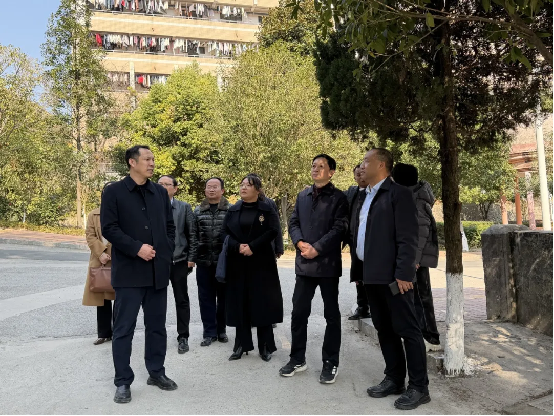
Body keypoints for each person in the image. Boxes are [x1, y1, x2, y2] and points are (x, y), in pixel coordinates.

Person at [101, 145, 177, 404]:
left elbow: (169, 226)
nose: (152, 163)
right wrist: (137, 248)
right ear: (132, 162)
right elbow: (109, 228)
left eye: (153, 159)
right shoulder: (114, 191)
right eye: (147, 159)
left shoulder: (159, 192)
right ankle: (123, 381)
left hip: (157, 272)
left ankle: (156, 372)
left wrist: (165, 249)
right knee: (124, 329)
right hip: (129, 273)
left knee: (157, 327)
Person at [357, 149, 430, 411]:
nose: (362, 165)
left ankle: (419, 387)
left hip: (394, 277)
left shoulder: (399, 194)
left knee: (408, 330)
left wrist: (404, 274)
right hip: (371, 274)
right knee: (384, 329)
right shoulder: (367, 195)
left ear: (381, 165)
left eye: (366, 161)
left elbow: (408, 238)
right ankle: (395, 378)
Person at [280, 154, 349, 384]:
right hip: (304, 264)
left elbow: (339, 228)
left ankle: (330, 362)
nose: (316, 169)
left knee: (331, 315)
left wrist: (317, 248)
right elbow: (293, 222)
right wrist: (300, 243)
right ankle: (297, 358)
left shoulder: (339, 198)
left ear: (331, 172)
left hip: (327, 265)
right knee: (299, 313)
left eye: (321, 166)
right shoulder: (303, 196)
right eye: (313, 166)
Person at [221, 174, 284, 362]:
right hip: (238, 262)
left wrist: (253, 247)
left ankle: (265, 346)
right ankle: (241, 344)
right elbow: (224, 233)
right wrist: (237, 246)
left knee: (262, 303)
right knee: (240, 303)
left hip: (261, 263)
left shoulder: (267, 209)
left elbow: (273, 230)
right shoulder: (233, 210)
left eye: (248, 185)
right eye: (242, 184)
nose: (243, 188)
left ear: (257, 189)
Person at [391, 163, 440, 347]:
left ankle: (429, 335)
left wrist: (414, 260)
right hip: (413, 257)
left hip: (416, 259)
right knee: (415, 296)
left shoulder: (416, 200)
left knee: (421, 296)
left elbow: (420, 233)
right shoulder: (412, 196)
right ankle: (420, 330)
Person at [158, 175, 198, 355]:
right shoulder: (150, 206)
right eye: (160, 184)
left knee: (181, 300)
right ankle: (158, 337)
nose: (163, 187)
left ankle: (183, 336)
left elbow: (192, 234)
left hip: (179, 261)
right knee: (157, 301)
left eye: (167, 184)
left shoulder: (184, 207)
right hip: (157, 261)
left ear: (175, 188)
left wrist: (191, 257)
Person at [193, 177, 231, 347]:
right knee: (205, 298)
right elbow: (192, 235)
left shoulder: (231, 210)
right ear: (205, 190)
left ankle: (221, 330)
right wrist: (192, 258)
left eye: (215, 187)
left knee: (223, 298)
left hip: (224, 262)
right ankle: (209, 332)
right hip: (203, 262)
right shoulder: (197, 211)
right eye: (209, 187)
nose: (211, 189)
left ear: (222, 190)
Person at [83, 181, 116, 346]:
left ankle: (119, 332)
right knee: (102, 298)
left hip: (119, 259)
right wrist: (101, 253)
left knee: (120, 298)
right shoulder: (94, 214)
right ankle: (104, 333)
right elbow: (90, 235)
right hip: (100, 259)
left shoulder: (125, 212)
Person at [344, 165, 371, 321]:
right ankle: (362, 307)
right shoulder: (352, 192)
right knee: (358, 276)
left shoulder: (375, 193)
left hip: (371, 243)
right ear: (354, 177)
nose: (360, 176)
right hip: (354, 242)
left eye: (363, 173)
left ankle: (376, 307)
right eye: (357, 174)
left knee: (371, 276)